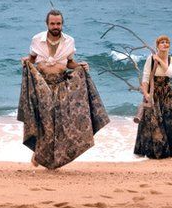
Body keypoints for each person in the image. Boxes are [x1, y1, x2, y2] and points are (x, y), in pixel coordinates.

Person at [18, 9, 109, 169]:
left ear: (62, 24)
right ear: (47, 24)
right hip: (42, 85)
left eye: (58, 23)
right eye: (52, 23)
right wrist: (27, 61)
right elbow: (32, 58)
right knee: (45, 121)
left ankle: (54, 158)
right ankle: (39, 153)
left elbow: (70, 63)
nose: (55, 26)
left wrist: (80, 66)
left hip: (61, 86)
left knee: (60, 122)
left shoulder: (69, 41)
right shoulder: (37, 39)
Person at [133, 35, 172, 159]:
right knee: (153, 122)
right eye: (162, 42)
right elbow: (145, 78)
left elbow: (170, 73)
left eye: (167, 42)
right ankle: (155, 152)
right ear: (157, 45)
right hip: (153, 93)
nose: (165, 44)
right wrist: (146, 94)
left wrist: (160, 60)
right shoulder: (150, 59)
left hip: (168, 93)